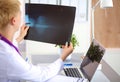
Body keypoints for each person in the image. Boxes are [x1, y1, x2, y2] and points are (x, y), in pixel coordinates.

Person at [0, 0, 88, 82]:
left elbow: (7, 47)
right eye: (20, 13)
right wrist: (63, 57)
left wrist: (20, 37)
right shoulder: (9, 57)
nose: (21, 15)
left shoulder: (3, 46)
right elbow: (42, 75)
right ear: (14, 21)